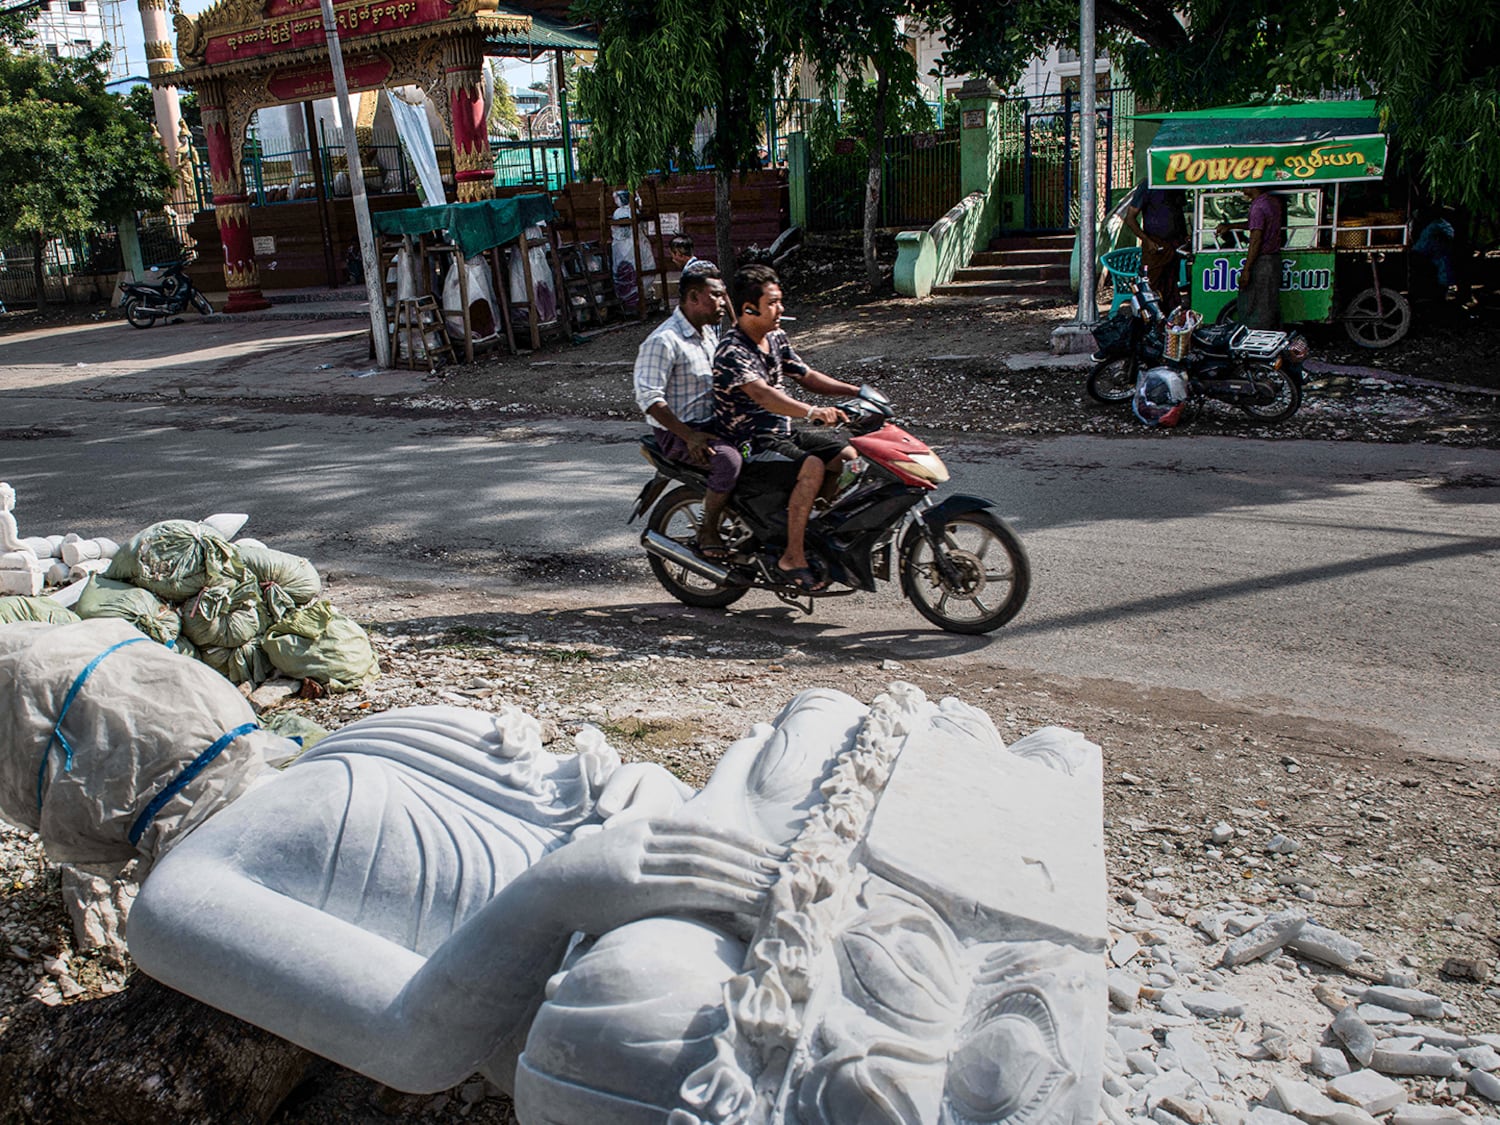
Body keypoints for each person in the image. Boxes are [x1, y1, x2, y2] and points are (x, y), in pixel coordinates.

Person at [712, 264, 860, 593]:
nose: (782, 309)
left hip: (781, 432)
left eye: (780, 301)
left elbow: (805, 374)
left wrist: (855, 392)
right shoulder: (732, 350)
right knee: (812, 465)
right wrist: (812, 411)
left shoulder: (775, 337)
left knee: (850, 458)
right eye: (774, 303)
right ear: (749, 308)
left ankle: (808, 529)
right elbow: (764, 396)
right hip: (749, 442)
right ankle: (792, 556)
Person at [632, 264, 738, 558]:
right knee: (728, 462)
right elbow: (649, 398)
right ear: (693, 297)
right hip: (679, 433)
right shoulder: (664, 340)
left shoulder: (706, 335)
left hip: (710, 425)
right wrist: (689, 436)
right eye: (715, 296)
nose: (722, 302)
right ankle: (708, 530)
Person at [1217, 186, 1284, 329]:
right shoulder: (1272, 201)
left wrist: (1246, 269)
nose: (1241, 188)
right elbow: (1255, 225)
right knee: (1269, 304)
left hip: (1263, 261)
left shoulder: (1258, 207)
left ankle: (1256, 341)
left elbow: (1256, 239)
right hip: (1274, 259)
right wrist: (1231, 226)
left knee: (1257, 306)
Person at [1121, 183, 1188, 311]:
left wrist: (1185, 236)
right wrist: (1147, 241)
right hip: (1155, 247)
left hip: (1174, 247)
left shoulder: (1176, 184)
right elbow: (1130, 218)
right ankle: (1149, 322)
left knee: (1170, 286)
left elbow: (1178, 214)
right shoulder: (1147, 185)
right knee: (1151, 289)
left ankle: (1170, 322)